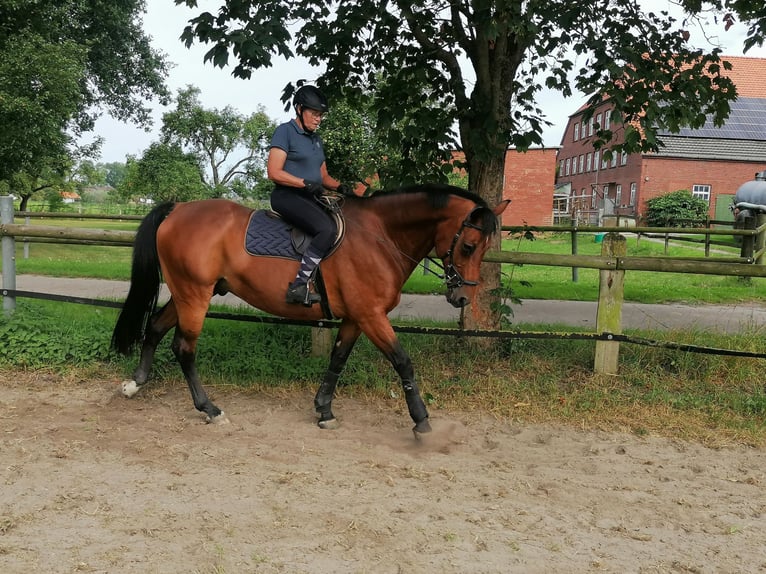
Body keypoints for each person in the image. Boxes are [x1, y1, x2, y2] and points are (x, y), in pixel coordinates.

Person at [267, 85, 354, 305]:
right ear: (299, 109)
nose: (318, 119)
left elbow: (323, 176)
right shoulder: (285, 131)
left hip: (310, 197)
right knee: (327, 229)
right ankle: (298, 286)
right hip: (287, 196)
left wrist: (342, 187)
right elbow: (274, 172)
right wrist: (304, 183)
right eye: (314, 114)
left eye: (321, 116)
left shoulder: (316, 139)